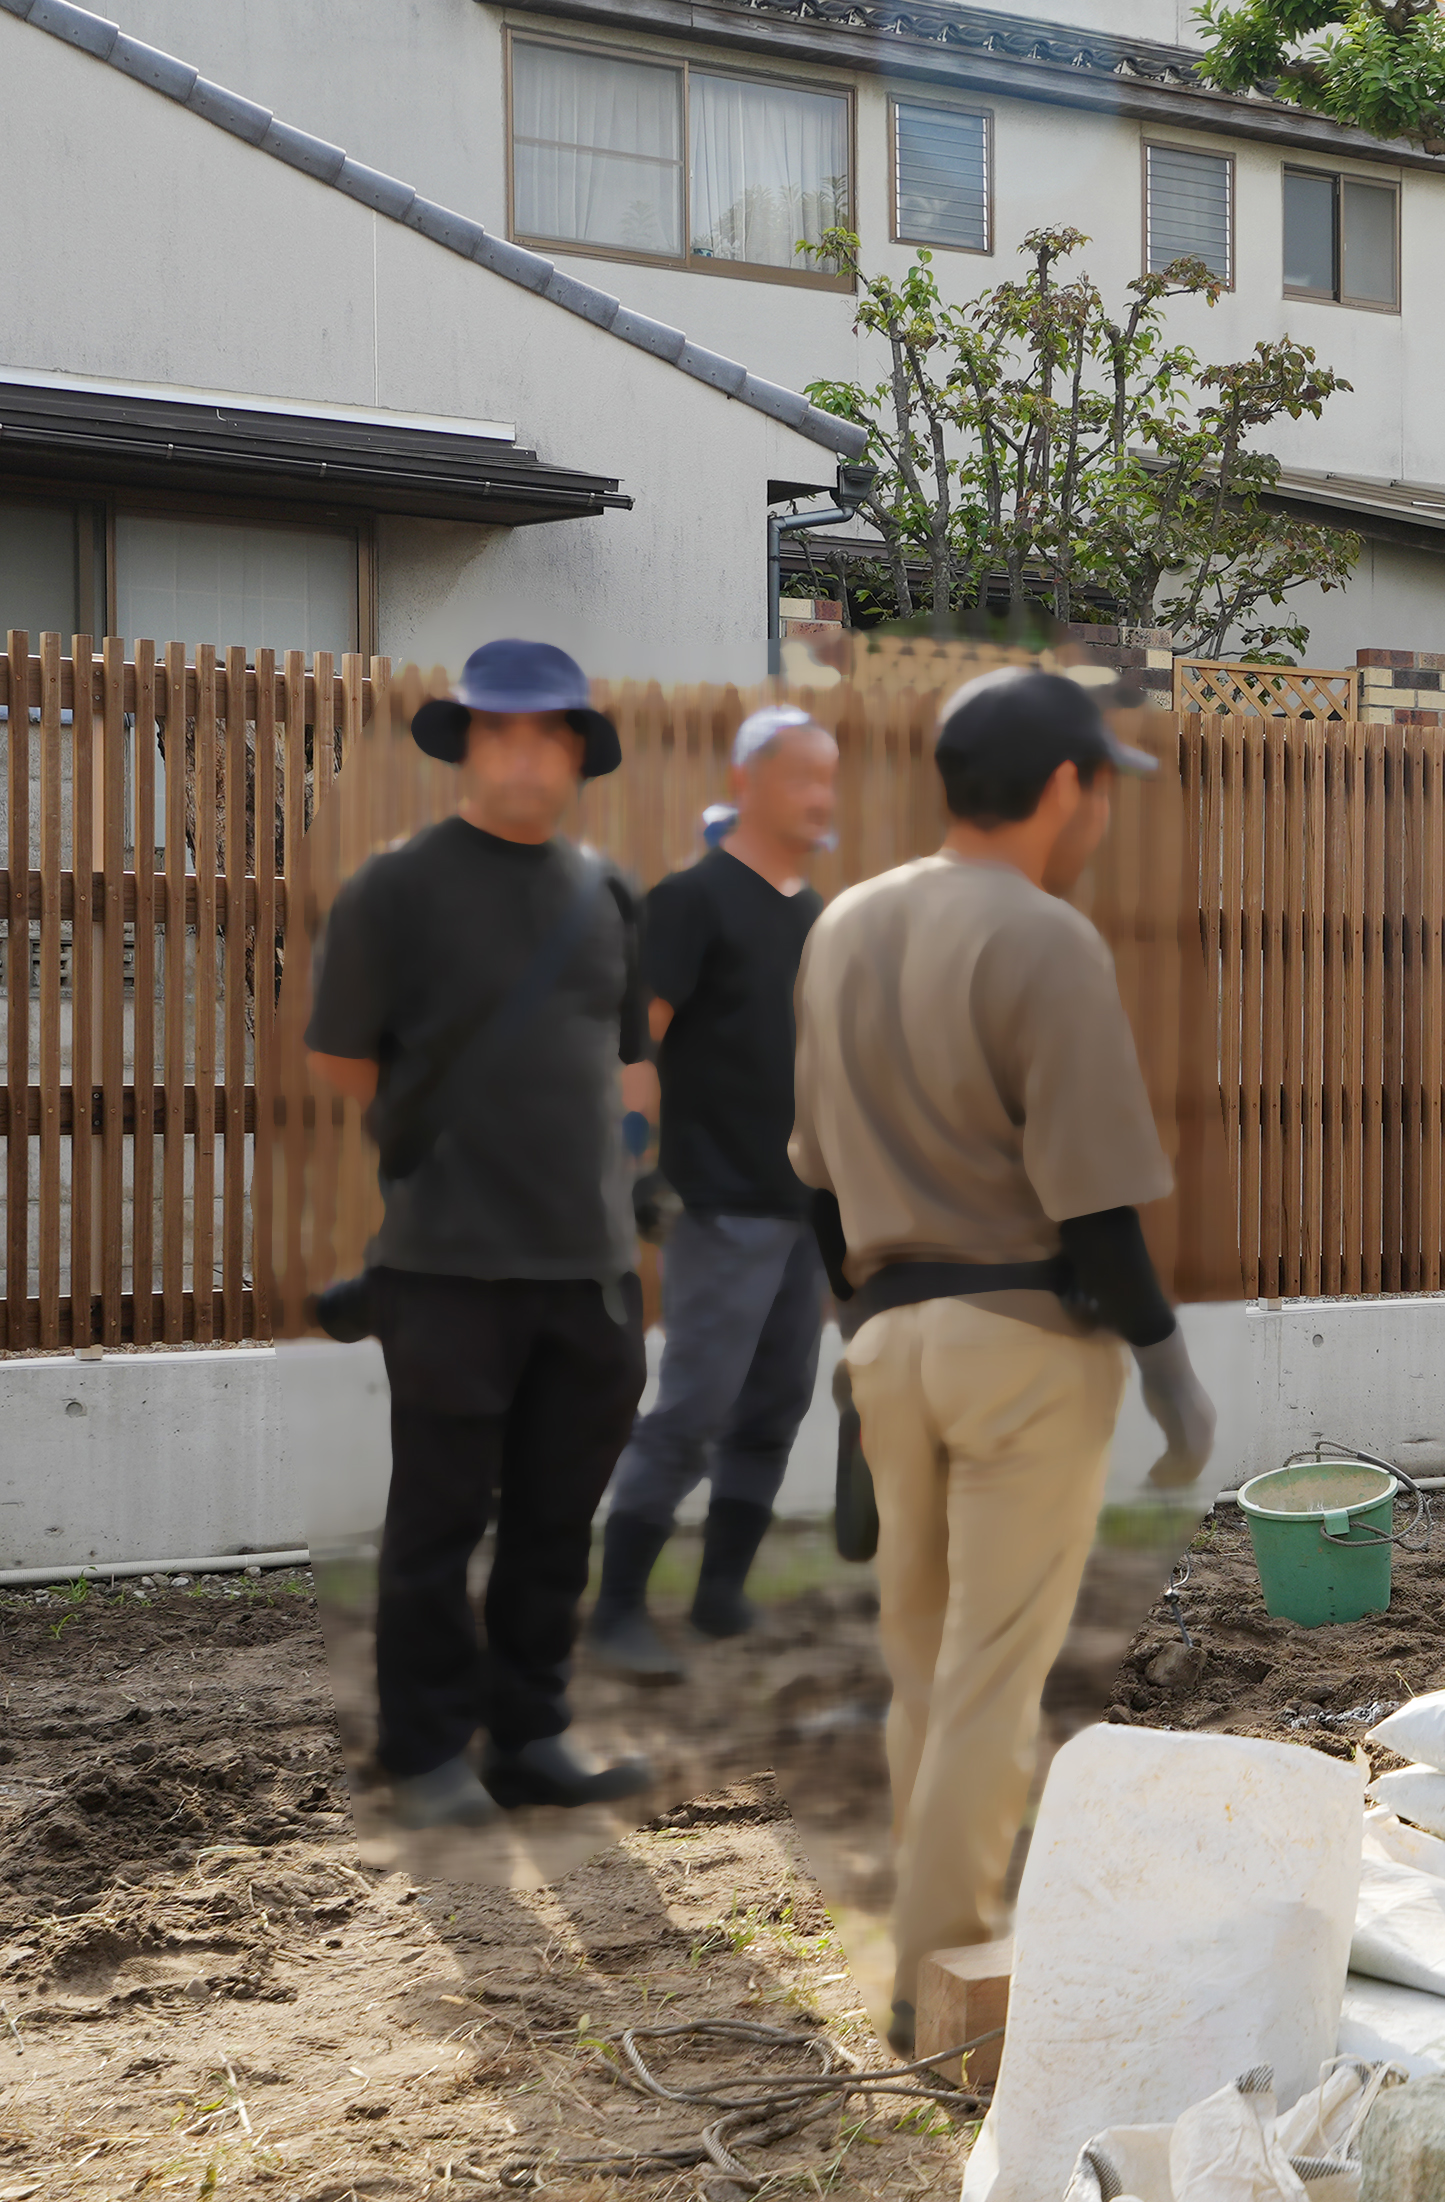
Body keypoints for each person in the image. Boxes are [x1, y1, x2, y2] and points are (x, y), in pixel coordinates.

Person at [789, 667, 1219, 2043]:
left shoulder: (845, 926)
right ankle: (946, 1990)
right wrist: (1165, 1363)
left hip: (888, 1335)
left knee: (926, 1668)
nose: (1099, 819)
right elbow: (1092, 1195)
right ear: (1059, 791)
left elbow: (808, 1176)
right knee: (990, 1678)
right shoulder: (1043, 938)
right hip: (1026, 1342)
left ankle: (931, 1960)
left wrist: (857, 1341)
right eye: (1097, 791)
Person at [303, 639, 662, 1824]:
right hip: (448, 1264)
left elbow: (628, 1062)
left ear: (572, 752)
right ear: (467, 746)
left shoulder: (604, 892)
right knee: (440, 1519)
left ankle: (530, 1733)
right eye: (497, 731)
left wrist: (621, 1183)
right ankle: (428, 1751)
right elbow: (344, 1060)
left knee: (558, 1520)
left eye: (544, 733)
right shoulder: (395, 888)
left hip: (592, 1275)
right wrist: (451, 1164)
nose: (521, 753)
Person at [586, 708, 838, 1678]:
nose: (820, 797)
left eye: (828, 780)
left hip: (800, 1202)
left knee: (776, 1402)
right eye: (800, 778)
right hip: (717, 1202)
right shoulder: (690, 901)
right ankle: (615, 1611)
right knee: (693, 1403)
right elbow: (634, 1040)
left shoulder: (812, 917)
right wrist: (638, 1165)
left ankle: (722, 1593)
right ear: (748, 782)